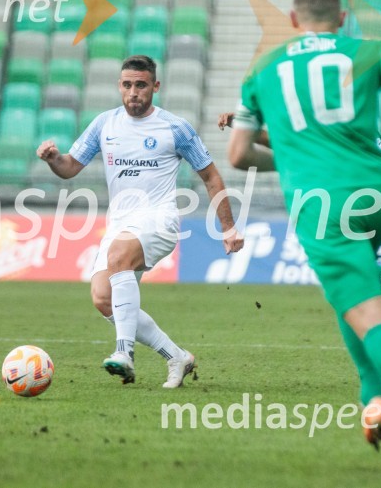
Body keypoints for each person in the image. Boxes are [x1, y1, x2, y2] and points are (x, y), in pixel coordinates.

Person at [226, 0, 381, 476]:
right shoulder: (360, 49)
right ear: (340, 18)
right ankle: (373, 399)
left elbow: (238, 154)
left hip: (321, 205)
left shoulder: (264, 69)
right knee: (353, 295)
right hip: (380, 194)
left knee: (367, 315)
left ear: (293, 20)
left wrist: (289, 160)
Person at [37, 55, 244, 388]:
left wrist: (228, 227)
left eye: (141, 85)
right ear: (119, 86)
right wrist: (53, 159)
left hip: (159, 219)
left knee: (119, 256)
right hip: (120, 223)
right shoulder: (104, 124)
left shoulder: (175, 127)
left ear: (155, 86)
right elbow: (70, 167)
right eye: (127, 85)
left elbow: (210, 176)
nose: (133, 92)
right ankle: (177, 356)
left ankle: (124, 353)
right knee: (103, 297)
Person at [218, 111, 381, 391]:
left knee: (352, 298)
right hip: (353, 201)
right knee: (358, 300)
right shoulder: (335, 113)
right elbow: (288, 142)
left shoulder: (340, 117)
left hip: (356, 203)